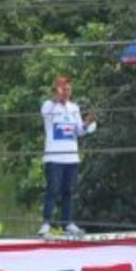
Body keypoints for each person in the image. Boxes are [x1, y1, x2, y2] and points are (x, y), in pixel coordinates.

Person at [39, 75, 96, 238]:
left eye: (69, 89)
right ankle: (46, 224)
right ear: (57, 90)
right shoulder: (48, 106)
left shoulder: (74, 108)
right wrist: (56, 97)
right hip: (54, 158)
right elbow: (46, 113)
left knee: (69, 191)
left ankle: (68, 223)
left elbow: (79, 131)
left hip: (71, 157)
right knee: (52, 190)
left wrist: (87, 124)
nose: (66, 92)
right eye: (63, 89)